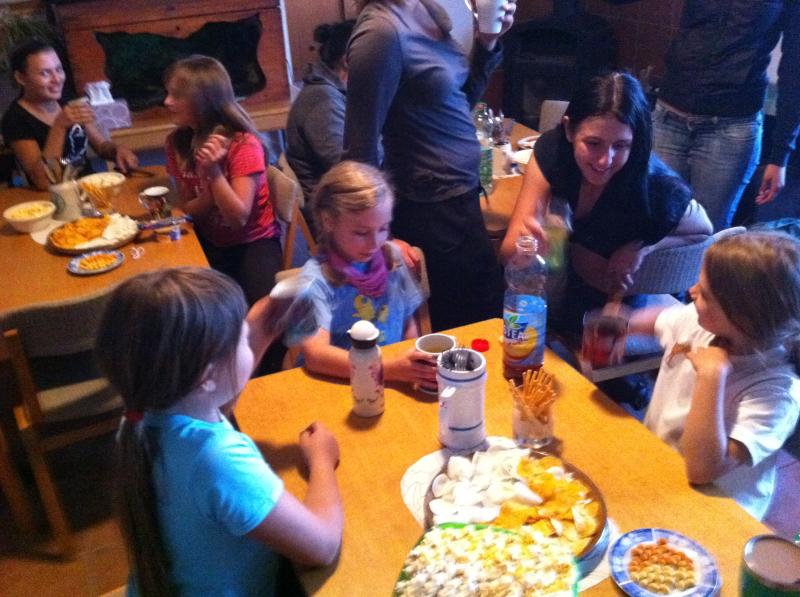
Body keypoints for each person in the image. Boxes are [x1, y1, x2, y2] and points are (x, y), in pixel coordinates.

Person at [95, 267, 343, 596]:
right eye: (240, 337)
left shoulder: (141, 415)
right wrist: (322, 460)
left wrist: (264, 326)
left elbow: (215, 403)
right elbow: (322, 547)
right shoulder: (218, 460)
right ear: (206, 377)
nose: (247, 337)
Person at [342, 0, 518, 331]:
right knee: (467, 326)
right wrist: (381, 237)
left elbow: (457, 102)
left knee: (485, 320)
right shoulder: (380, 32)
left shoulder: (429, 10)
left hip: (460, 200)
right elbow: (358, 152)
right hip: (430, 212)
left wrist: (487, 42)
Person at [501, 71, 713, 334]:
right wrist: (525, 247)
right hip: (551, 281)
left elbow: (704, 230)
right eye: (593, 143)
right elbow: (507, 254)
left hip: (605, 298)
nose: (605, 160)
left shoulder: (658, 185)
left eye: (621, 146)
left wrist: (641, 247)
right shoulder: (552, 151)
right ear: (569, 129)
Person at [628, 232, 800, 520]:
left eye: (705, 294)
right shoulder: (701, 322)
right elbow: (661, 319)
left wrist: (712, 376)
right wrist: (624, 325)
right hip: (661, 466)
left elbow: (703, 470)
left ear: (744, 317)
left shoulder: (776, 394)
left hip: (717, 510)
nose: (691, 291)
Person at [652, 1, 800, 230]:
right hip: (669, 116)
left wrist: (781, 156)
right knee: (655, 223)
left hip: (731, 129)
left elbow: (794, 70)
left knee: (708, 232)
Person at [292, 160, 437, 388]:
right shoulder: (315, 281)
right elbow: (316, 355)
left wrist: (415, 364)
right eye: (361, 233)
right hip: (338, 384)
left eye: (383, 229)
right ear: (329, 221)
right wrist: (388, 368)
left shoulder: (393, 258)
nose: (375, 243)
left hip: (392, 379)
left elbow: (409, 322)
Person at [164, 55, 282, 306]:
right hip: (209, 238)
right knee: (183, 303)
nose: (167, 102)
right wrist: (209, 194)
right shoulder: (176, 142)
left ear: (202, 100)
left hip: (253, 242)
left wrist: (214, 173)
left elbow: (238, 219)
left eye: (176, 96)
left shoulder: (243, 144)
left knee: (266, 315)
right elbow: (190, 210)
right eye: (168, 94)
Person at [1, 39, 138, 191]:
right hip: (53, 197)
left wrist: (117, 150)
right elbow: (43, 181)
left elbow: (101, 146)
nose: (57, 79)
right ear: (21, 78)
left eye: (59, 70)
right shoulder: (15, 118)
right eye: (45, 73)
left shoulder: (69, 100)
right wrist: (59, 126)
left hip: (90, 187)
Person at [286, 20, 355, 203]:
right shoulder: (323, 100)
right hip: (332, 207)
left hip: (342, 198)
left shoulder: (330, 92)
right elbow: (348, 168)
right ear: (347, 61)